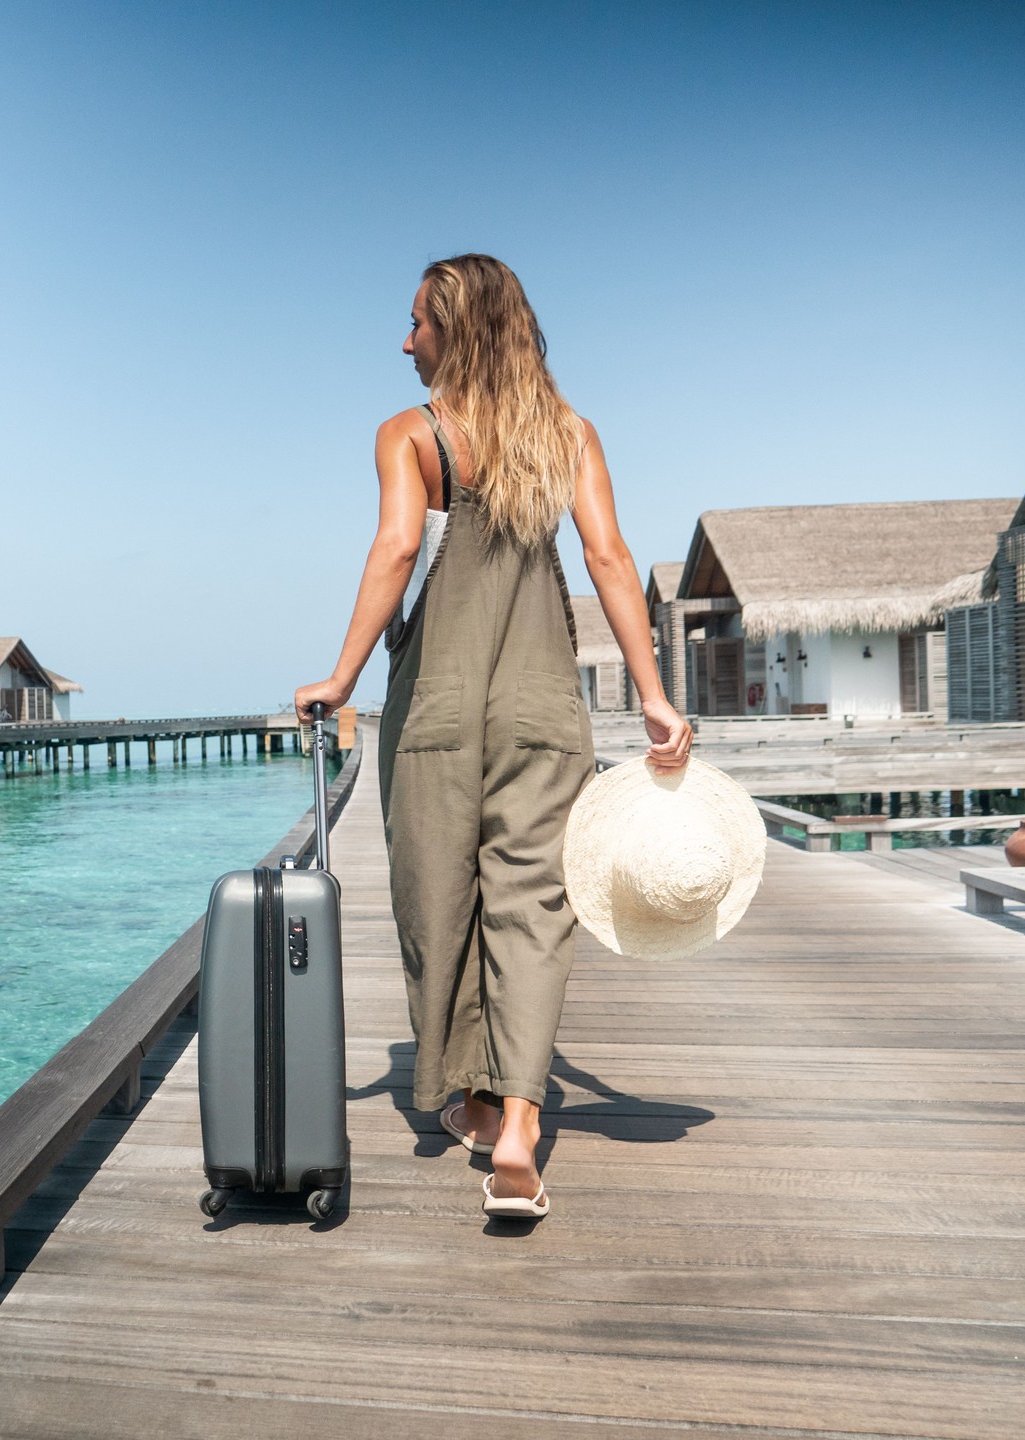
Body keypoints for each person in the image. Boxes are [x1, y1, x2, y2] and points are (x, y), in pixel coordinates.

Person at [294, 253, 692, 1219]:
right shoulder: (568, 434)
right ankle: (514, 1122)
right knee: (532, 909)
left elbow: (396, 550)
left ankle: (462, 1096)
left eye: (417, 323)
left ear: (453, 330)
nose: (405, 340)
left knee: (438, 901)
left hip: (435, 709)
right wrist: (653, 694)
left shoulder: (413, 435)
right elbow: (608, 555)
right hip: (545, 709)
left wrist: (341, 679)